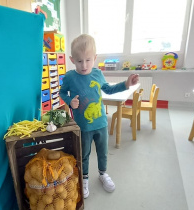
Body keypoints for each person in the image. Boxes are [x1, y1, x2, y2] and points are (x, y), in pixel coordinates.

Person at [59, 34, 139, 199]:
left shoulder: (97, 74)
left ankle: (103, 174)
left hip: (101, 123)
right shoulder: (70, 77)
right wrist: (69, 101)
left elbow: (108, 90)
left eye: (88, 60)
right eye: (79, 61)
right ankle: (85, 177)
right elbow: (62, 92)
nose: (84, 65)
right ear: (72, 59)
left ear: (94, 58)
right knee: (85, 153)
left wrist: (126, 84)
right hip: (83, 126)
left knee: (103, 151)